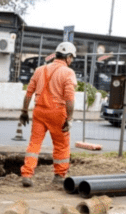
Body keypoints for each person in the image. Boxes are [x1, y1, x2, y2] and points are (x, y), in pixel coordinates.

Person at [19, 42, 78, 187]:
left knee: (34, 143)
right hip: (57, 112)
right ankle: (59, 176)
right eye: (72, 58)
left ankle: (27, 174)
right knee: (61, 145)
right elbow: (69, 98)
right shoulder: (68, 72)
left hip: (39, 111)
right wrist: (69, 118)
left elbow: (28, 93)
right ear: (68, 57)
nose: (71, 61)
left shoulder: (39, 70)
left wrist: (24, 112)